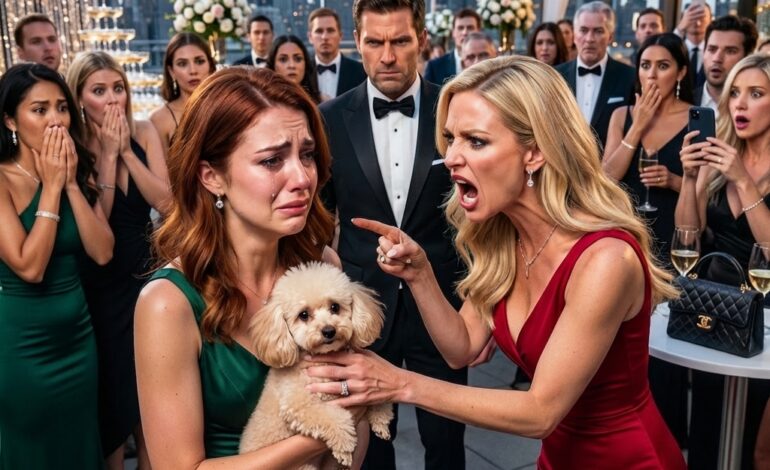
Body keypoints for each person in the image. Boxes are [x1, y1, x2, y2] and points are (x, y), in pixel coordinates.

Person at [308, 55, 687, 470]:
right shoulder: (507, 240)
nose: (450, 157)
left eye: (475, 141)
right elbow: (461, 348)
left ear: (535, 152)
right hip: (558, 457)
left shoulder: (606, 259)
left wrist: (399, 384)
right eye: (450, 138)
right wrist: (420, 274)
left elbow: (540, 412)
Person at [134, 66, 368, 467]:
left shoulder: (320, 267)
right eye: (272, 160)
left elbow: (351, 441)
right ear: (212, 176)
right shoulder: (167, 303)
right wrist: (322, 434)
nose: (302, 178)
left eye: (307, 154)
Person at [319, 0, 466, 468]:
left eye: (400, 41)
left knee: (447, 442)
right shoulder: (328, 118)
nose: (387, 56)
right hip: (362, 306)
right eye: (375, 42)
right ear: (357, 42)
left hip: (443, 304)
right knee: (369, 445)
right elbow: (318, 218)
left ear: (420, 40)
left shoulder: (456, 109)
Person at [0, 63, 114, 469]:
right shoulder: (2, 179)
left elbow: (103, 252)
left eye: (62, 107)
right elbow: (29, 267)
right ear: (10, 120)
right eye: (40, 109)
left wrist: (68, 184)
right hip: (20, 346)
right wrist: (50, 187)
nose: (56, 120)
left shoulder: (75, 170)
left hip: (77, 339)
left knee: (79, 442)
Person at [66, 50, 171, 469]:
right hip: (99, 282)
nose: (112, 99)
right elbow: (100, 227)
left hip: (145, 275)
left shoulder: (144, 131)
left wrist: (126, 151)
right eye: (99, 90)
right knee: (112, 402)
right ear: (79, 97)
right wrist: (108, 157)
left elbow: (167, 203)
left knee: (150, 400)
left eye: (118, 88)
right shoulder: (73, 146)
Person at [676, 53, 770, 470]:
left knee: (751, 441)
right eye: (735, 93)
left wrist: (743, 180)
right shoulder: (720, 156)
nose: (740, 104)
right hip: (715, 310)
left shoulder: (734, 168)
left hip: (766, 319)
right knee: (708, 427)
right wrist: (690, 179)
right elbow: (688, 236)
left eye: (756, 94)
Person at [602, 33, 692, 447]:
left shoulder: (697, 117)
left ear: (681, 73)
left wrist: (674, 181)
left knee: (665, 357)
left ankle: (664, 443)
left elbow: (709, 192)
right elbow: (606, 178)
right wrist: (637, 126)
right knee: (623, 350)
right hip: (626, 240)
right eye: (645, 65)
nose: (652, 75)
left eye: (663, 66)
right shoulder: (622, 114)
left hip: (675, 241)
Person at [556, 1, 635, 149]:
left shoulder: (630, 77)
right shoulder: (555, 76)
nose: (589, 39)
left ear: (610, 37)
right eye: (583, 30)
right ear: (574, 35)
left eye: (598, 31)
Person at [150, 32, 216, 156]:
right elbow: (159, 168)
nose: (193, 70)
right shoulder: (160, 119)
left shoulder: (227, 108)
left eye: (199, 61)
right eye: (182, 64)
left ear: (211, 66)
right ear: (171, 71)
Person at [695, 15, 757, 118]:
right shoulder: (685, 102)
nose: (717, 58)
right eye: (712, 49)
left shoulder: (759, 109)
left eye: (730, 51)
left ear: (747, 58)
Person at [307, 8, 367, 101]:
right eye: (319, 31)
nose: (325, 37)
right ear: (310, 37)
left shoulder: (361, 71)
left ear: (340, 35)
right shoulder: (303, 72)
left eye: (330, 30)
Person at [423, 8, 481, 85]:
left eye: (470, 28)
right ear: (453, 32)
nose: (465, 32)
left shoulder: (488, 63)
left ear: (479, 31)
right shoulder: (435, 67)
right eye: (460, 28)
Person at [268, 35, 322, 104]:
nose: (292, 65)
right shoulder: (262, 102)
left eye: (298, 59)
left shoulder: (322, 102)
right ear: (273, 64)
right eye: (283, 59)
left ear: (306, 63)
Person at [674, 2, 712, 88]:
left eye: (701, 17)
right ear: (683, 19)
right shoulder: (676, 48)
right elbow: (665, 49)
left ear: (710, 20)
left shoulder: (715, 52)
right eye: (692, 16)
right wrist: (680, 29)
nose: (697, 22)